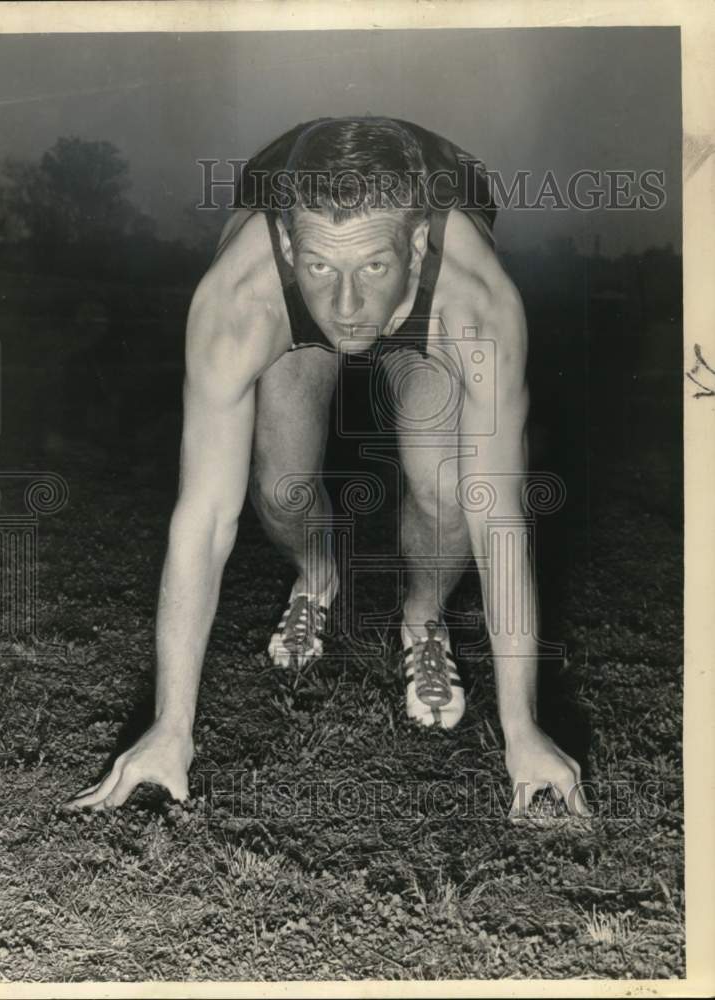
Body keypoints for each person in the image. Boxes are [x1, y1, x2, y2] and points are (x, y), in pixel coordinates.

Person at [64, 116, 590, 818]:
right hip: (289, 290)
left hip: (429, 303)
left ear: (419, 240)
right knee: (281, 489)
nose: (346, 305)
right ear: (285, 242)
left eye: (372, 266)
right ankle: (317, 578)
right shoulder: (237, 302)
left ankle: (424, 620)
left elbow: (500, 520)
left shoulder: (479, 306)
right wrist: (171, 725)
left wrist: (523, 729)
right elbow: (205, 517)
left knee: (446, 490)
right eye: (320, 267)